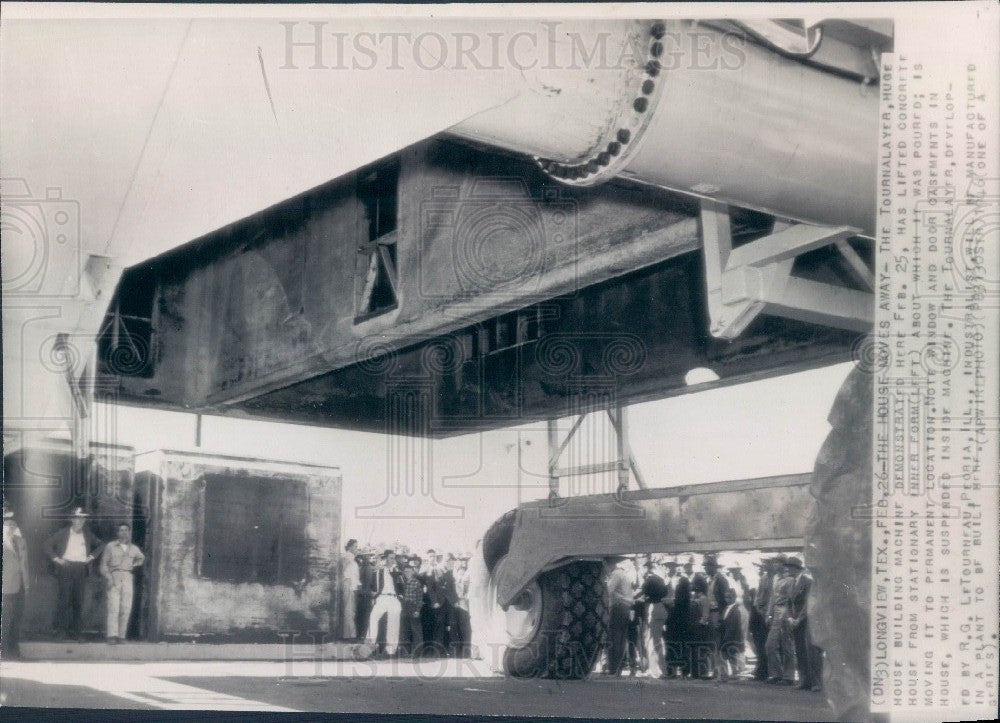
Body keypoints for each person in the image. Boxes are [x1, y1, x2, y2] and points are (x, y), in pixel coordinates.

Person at [43, 507, 102, 640]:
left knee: (78, 601)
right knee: (64, 600)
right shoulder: (63, 533)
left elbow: (100, 545)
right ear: (72, 519)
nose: (81, 521)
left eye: (83, 518)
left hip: (81, 569)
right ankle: (61, 632)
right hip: (66, 568)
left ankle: (77, 633)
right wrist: (57, 559)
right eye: (78, 518)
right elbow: (47, 545)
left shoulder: (87, 534)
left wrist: (91, 557)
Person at [99, 523, 145, 644]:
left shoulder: (134, 548)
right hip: (114, 575)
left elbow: (141, 558)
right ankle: (112, 636)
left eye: (126, 530)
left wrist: (134, 565)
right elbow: (103, 564)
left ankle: (121, 636)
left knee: (126, 607)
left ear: (129, 533)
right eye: (121, 530)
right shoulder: (110, 546)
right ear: (118, 533)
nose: (124, 532)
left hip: (127, 576)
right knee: (114, 606)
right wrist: (108, 577)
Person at [787, 556, 823, 691]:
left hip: (808, 619)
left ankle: (816, 682)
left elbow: (808, 603)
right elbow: (789, 603)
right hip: (795, 620)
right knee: (800, 650)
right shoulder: (792, 583)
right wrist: (790, 617)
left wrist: (798, 619)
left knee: (811, 650)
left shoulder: (808, 581)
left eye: (789, 567)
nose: (787, 569)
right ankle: (804, 680)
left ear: (795, 568)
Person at [2, 506, 30, 659]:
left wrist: (26, 584)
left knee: (16, 619)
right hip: (5, 587)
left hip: (20, 586)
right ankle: (3, 650)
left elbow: (25, 564)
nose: (11, 527)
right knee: (5, 619)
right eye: (7, 524)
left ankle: (13, 648)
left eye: (13, 524)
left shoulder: (20, 541)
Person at [365, 550, 404, 657]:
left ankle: (391, 651)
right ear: (386, 558)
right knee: (373, 618)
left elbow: (401, 586)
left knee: (393, 623)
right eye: (391, 558)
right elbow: (373, 586)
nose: (393, 560)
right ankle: (369, 647)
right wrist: (374, 597)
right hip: (382, 598)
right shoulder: (379, 570)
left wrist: (395, 571)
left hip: (393, 598)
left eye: (394, 558)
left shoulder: (397, 570)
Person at [765, 554, 797, 684]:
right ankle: (776, 673)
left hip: (785, 610)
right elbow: (772, 598)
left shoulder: (789, 579)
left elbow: (791, 599)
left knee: (787, 644)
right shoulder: (775, 578)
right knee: (770, 645)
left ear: (783, 564)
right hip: (776, 611)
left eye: (777, 562)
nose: (774, 564)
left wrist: (789, 615)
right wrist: (769, 614)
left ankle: (789, 676)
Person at [637, 557, 669, 678]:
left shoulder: (649, 580)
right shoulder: (660, 579)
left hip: (653, 609)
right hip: (661, 607)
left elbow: (641, 592)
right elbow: (665, 592)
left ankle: (660, 670)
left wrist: (632, 599)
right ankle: (655, 669)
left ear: (647, 569)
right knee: (655, 641)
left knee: (653, 642)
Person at [703, 554, 732, 681]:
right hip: (711, 612)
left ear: (713, 567)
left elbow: (725, 600)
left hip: (717, 612)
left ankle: (723, 672)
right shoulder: (710, 580)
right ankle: (717, 671)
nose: (705, 569)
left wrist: (722, 616)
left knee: (718, 643)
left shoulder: (721, 580)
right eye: (705, 566)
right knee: (713, 643)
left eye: (707, 566)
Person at [604, 556, 633, 675]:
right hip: (626, 607)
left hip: (617, 607)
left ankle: (613, 667)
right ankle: (618, 667)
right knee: (621, 639)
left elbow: (608, 590)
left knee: (613, 637)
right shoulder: (624, 574)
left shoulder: (615, 574)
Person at [665, 557, 691, 678]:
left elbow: (683, 600)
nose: (669, 568)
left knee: (677, 643)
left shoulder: (682, 581)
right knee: (675, 644)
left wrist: (672, 602)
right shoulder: (669, 581)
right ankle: (677, 670)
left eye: (672, 566)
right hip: (677, 618)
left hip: (678, 618)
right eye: (668, 566)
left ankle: (679, 670)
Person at [335, 539, 360, 640]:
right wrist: (345, 582)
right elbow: (342, 569)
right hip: (348, 584)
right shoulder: (348, 555)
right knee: (348, 610)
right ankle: (348, 635)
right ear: (349, 547)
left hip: (351, 586)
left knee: (350, 610)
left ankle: (347, 634)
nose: (356, 549)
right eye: (355, 547)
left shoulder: (352, 558)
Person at [399, 559, 425, 657]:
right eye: (405, 572)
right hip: (404, 607)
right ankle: (405, 652)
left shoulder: (416, 583)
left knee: (416, 630)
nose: (407, 573)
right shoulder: (402, 583)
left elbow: (420, 598)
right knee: (404, 630)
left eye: (409, 571)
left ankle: (418, 652)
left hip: (413, 607)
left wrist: (417, 610)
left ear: (413, 572)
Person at [718, 588, 745, 681]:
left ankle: (733, 672)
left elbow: (734, 625)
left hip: (731, 636)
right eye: (726, 597)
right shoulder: (726, 608)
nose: (727, 599)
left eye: (729, 597)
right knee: (725, 654)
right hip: (726, 635)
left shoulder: (735, 609)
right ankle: (726, 673)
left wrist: (727, 635)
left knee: (730, 655)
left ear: (734, 597)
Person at [451, 553, 473, 657]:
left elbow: (469, 591)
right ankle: (458, 652)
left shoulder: (469, 576)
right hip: (456, 605)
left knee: (465, 628)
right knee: (456, 628)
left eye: (466, 560)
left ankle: (466, 652)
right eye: (462, 560)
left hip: (465, 604)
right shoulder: (455, 576)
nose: (464, 562)